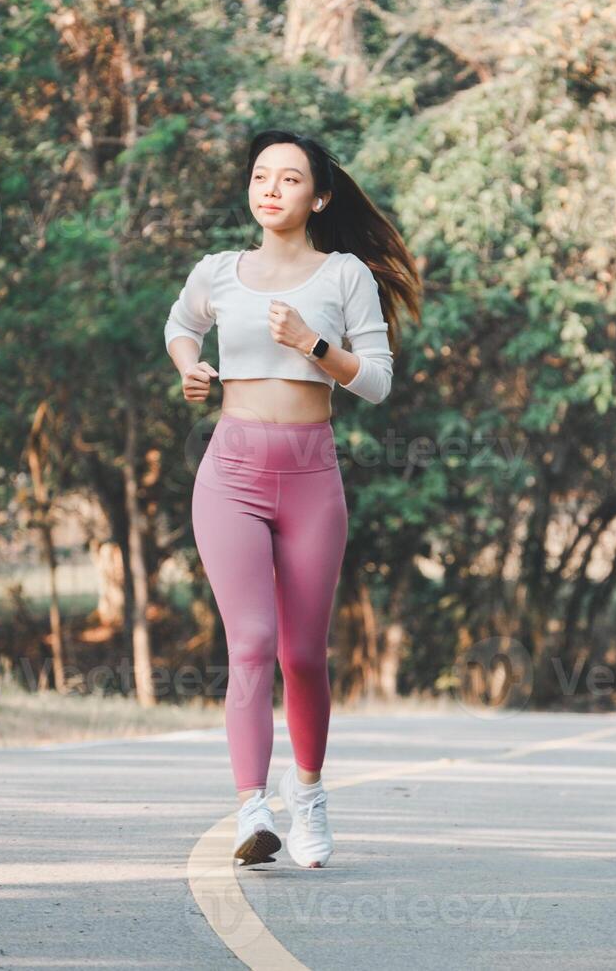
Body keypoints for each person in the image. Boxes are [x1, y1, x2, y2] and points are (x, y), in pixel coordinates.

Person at [164, 129, 421, 867]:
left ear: (320, 196)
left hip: (311, 477)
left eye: (289, 178)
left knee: (303, 654)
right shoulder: (219, 271)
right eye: (260, 176)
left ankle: (306, 796)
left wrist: (312, 343)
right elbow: (182, 327)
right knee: (250, 645)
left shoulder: (342, 276)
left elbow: (375, 380)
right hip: (232, 473)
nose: (270, 189)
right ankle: (253, 809)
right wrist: (191, 367)